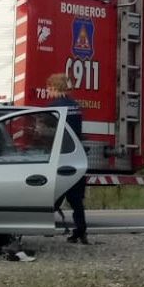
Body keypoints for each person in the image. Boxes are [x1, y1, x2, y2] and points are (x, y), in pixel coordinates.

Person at [47, 73, 88, 244]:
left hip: (59, 157)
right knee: (76, 198)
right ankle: (81, 230)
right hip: (76, 155)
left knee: (51, 194)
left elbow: (47, 133)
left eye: (48, 88)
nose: (47, 91)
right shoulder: (75, 106)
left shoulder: (53, 108)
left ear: (55, 88)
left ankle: (41, 225)